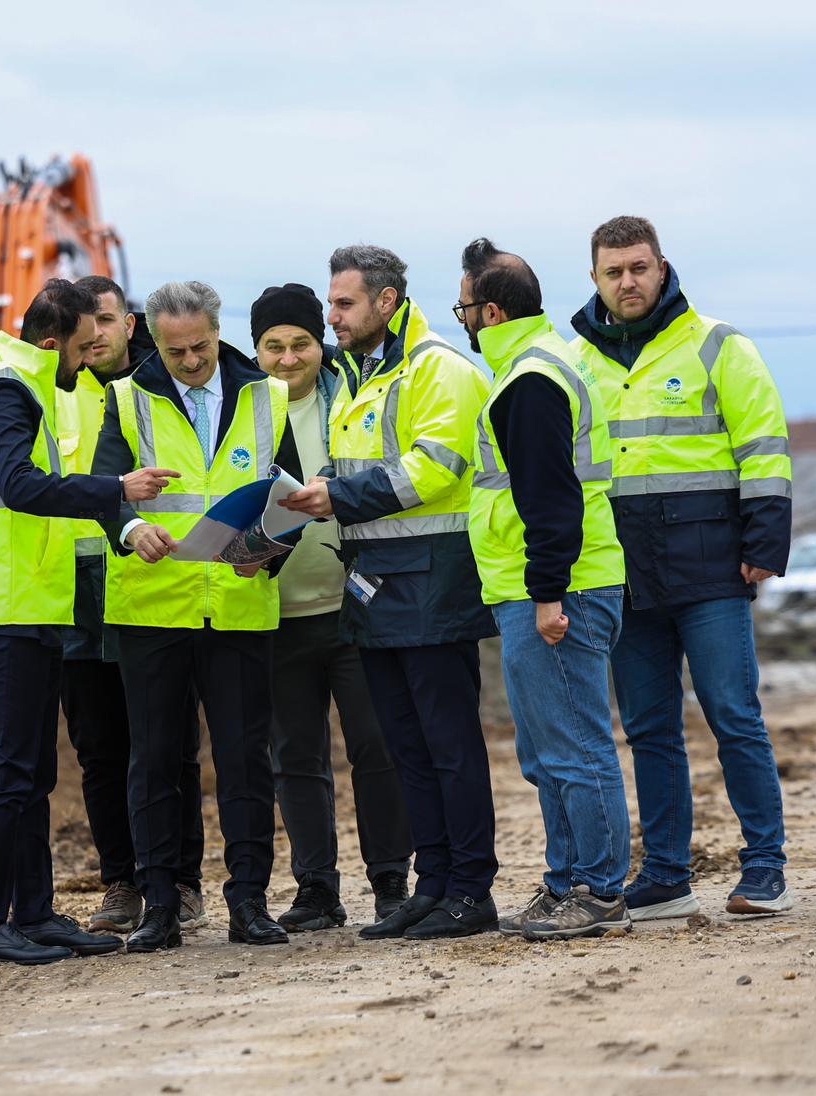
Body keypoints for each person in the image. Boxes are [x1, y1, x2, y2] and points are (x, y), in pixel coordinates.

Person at [0, 278, 180, 965]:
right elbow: (17, 487)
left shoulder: (29, 384)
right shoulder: (11, 389)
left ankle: (35, 913)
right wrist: (115, 490)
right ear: (53, 343)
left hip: (29, 604)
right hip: (3, 606)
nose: (86, 359)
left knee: (32, 774)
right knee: (6, 772)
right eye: (80, 348)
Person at [570, 215, 794, 918]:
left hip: (712, 566)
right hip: (623, 573)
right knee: (648, 728)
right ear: (596, 278)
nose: (627, 281)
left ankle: (765, 868)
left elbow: (764, 448)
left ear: (662, 267)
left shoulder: (717, 344)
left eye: (639, 267)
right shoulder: (576, 361)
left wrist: (763, 545)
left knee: (733, 713)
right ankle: (666, 873)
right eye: (614, 271)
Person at [282, 245, 499, 941]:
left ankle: (470, 890)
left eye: (343, 304)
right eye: (331, 303)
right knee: (407, 748)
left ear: (386, 301)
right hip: (372, 587)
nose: (331, 318)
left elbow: (435, 469)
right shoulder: (360, 375)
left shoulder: (441, 367)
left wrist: (336, 496)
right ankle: (430, 886)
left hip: (433, 580)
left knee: (449, 746)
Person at [92, 280, 302, 952]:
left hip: (239, 605)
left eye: (200, 347)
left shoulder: (267, 394)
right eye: (174, 350)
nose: (188, 361)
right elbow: (102, 494)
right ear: (152, 340)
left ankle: (249, 902)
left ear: (219, 331)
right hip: (153, 606)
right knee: (153, 761)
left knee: (245, 761)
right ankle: (161, 905)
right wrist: (130, 531)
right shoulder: (124, 398)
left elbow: (289, 495)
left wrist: (266, 556)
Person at [456, 239, 632, 940]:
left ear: (489, 310)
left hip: (561, 593)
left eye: (463, 306)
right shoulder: (531, 368)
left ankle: (597, 890)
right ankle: (566, 882)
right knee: (545, 751)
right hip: (540, 590)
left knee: (576, 748)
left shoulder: (530, 379)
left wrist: (549, 594)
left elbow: (551, 498)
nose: (461, 319)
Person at [250, 282, 413, 930]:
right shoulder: (242, 410)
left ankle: (391, 882)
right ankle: (316, 888)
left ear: (320, 343)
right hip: (277, 609)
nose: (288, 359)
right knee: (296, 756)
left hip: (352, 604)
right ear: (256, 348)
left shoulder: (350, 395)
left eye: (300, 344)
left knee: (376, 747)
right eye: (273, 347)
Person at [58, 275, 209, 935]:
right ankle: (121, 883)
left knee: (170, 744)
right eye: (82, 322)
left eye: (107, 318)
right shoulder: (47, 390)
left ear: (130, 323)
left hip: (155, 585)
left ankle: (181, 879)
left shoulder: (159, 385)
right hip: (73, 589)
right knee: (99, 746)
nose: (94, 332)